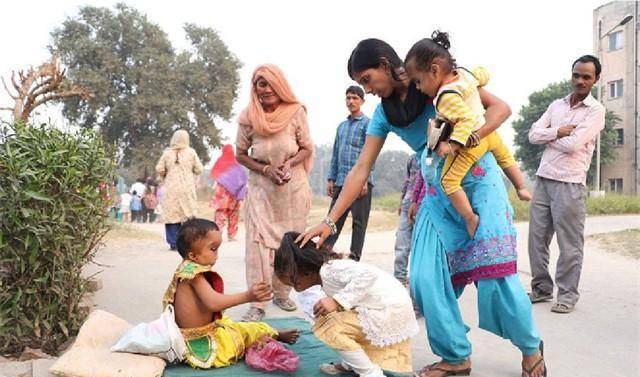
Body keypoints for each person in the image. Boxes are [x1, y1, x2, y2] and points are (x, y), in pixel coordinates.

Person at [298, 39, 546, 377]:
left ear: (386, 64)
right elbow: (361, 169)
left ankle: (531, 349)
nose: (366, 90)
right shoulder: (385, 114)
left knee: (495, 276)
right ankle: (456, 356)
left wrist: (472, 137)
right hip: (436, 190)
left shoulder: (438, 83)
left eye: (367, 79)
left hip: (478, 180)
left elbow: (499, 108)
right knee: (425, 278)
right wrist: (329, 221)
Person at [404, 31, 531, 239]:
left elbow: (465, 120)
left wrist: (453, 146)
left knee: (448, 181)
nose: (418, 88)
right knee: (505, 157)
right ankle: (521, 187)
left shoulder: (444, 97)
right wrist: (478, 83)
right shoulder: (464, 75)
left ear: (434, 70)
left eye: (418, 81)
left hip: (473, 143)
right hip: (491, 133)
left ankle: (470, 218)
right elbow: (483, 74)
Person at [275, 232, 418, 377]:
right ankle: (350, 365)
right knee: (338, 319)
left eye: (295, 282)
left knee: (330, 326)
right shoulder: (325, 275)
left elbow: (368, 276)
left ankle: (371, 373)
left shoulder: (329, 270)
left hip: (391, 310)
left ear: (304, 270)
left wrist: (337, 301)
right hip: (386, 309)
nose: (296, 288)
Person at [162, 218, 299, 369]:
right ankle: (271, 336)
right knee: (240, 333)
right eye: (213, 249)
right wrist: (248, 296)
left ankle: (274, 334)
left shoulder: (187, 268)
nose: (217, 255)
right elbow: (214, 303)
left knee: (245, 328)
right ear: (193, 256)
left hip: (205, 329)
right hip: (200, 339)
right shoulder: (193, 274)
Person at [527, 55, 605, 314]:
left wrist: (548, 137)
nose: (580, 81)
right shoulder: (556, 106)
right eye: (576, 75)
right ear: (571, 75)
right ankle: (541, 288)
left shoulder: (595, 111)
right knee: (536, 240)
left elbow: (574, 145)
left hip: (570, 183)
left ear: (596, 79)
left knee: (569, 244)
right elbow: (532, 134)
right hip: (544, 179)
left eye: (586, 77)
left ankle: (568, 294)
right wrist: (558, 132)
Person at [235, 64, 314, 321]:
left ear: (279, 85)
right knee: (257, 245)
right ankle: (258, 302)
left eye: (269, 83)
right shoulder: (249, 117)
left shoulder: (295, 112)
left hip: (292, 190)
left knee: (289, 244)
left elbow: (305, 148)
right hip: (261, 189)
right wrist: (266, 169)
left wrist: (288, 165)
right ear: (254, 88)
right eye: (260, 84)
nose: (265, 89)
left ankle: (282, 292)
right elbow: (240, 154)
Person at [325, 85, 373, 261]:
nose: (351, 101)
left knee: (359, 225)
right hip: (340, 182)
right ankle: (325, 256)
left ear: (362, 101)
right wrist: (331, 178)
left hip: (360, 183)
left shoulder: (369, 124)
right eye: (348, 98)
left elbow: (370, 154)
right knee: (332, 220)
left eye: (355, 98)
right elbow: (336, 153)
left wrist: (365, 180)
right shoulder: (342, 127)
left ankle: (354, 261)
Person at [155, 130, 204, 251]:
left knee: (172, 215)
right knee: (188, 214)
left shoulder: (167, 153)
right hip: (187, 188)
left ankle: (173, 243)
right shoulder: (191, 153)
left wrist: (166, 173)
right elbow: (199, 169)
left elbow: (159, 168)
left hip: (171, 188)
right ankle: (189, 243)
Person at [210, 144, 248, 242]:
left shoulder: (220, 161)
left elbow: (215, 174)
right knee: (234, 215)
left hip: (222, 195)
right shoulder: (237, 164)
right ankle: (231, 235)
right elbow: (243, 179)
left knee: (220, 215)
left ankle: (217, 234)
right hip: (234, 196)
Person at [394, 154, 420, 285]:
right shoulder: (413, 158)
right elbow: (407, 180)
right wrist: (401, 201)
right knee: (402, 242)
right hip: (409, 203)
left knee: (413, 244)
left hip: (421, 205)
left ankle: (409, 277)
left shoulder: (433, 155)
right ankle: (399, 277)